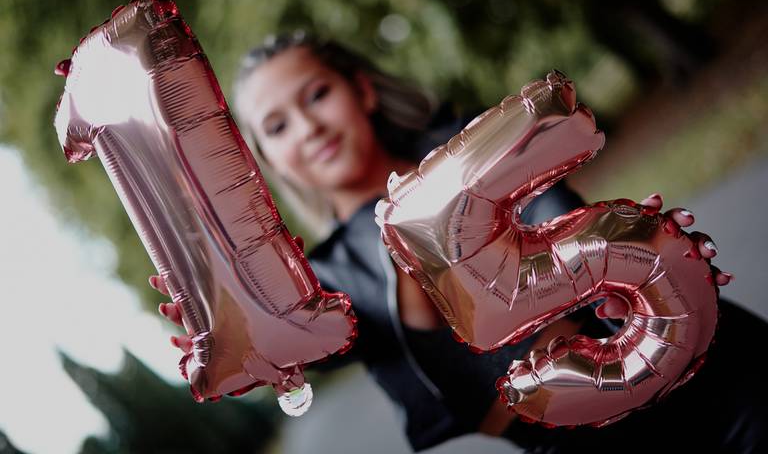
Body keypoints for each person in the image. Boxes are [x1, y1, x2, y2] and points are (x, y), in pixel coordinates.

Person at [148, 32, 765, 453]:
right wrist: (228, 325)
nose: (309, 127)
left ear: (360, 90)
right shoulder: (323, 278)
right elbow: (294, 345)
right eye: (278, 126)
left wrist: (639, 255)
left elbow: (582, 230)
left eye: (317, 94)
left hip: (712, 376)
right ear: (266, 162)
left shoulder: (470, 152)